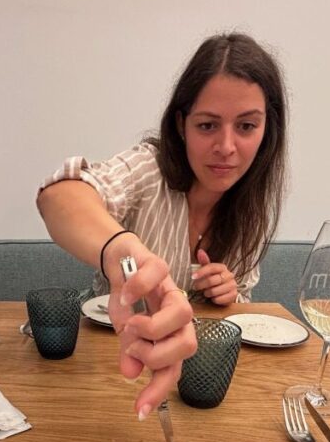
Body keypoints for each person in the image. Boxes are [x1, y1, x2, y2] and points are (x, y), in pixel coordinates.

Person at [36, 32, 288, 419]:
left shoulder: (252, 204)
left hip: (200, 386)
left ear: (267, 129)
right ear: (181, 124)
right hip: (114, 367)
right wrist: (120, 249)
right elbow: (59, 196)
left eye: (246, 126)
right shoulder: (147, 169)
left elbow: (239, 322)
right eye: (207, 126)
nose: (226, 146)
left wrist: (228, 295)